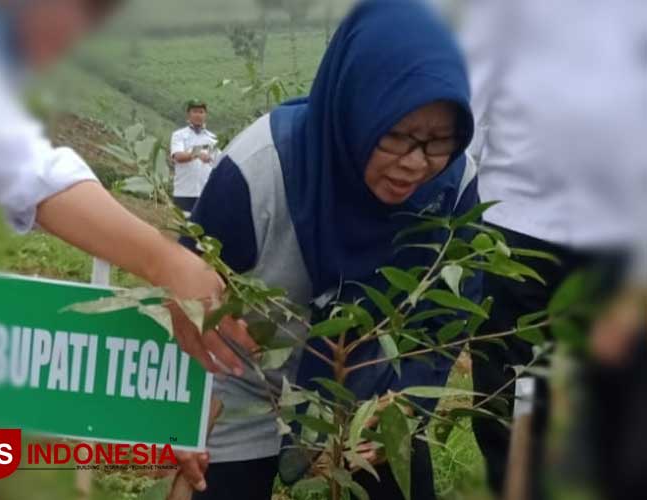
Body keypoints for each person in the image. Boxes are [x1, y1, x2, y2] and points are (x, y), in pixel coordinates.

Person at [0, 2, 254, 498]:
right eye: (84, 11)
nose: (78, 36)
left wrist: (163, 434)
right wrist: (168, 261)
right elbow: (31, 175)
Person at [177, 1, 479, 498]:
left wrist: (403, 405)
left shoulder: (453, 187)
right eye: (397, 136)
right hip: (248, 386)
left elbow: (444, 320)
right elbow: (187, 296)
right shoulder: (262, 171)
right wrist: (183, 417)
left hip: (370, 397)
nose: (415, 163)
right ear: (354, 107)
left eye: (440, 141)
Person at [459, 1, 647, 498]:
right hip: (515, 223)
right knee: (516, 390)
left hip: (615, 231)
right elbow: (472, 96)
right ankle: (517, 486)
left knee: (620, 390)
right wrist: (456, 213)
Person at [170, 99, 219, 215]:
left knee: (203, 229)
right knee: (184, 228)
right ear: (188, 114)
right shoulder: (179, 135)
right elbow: (178, 156)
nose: (198, 115)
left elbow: (217, 162)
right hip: (184, 192)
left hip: (205, 193)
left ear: (205, 115)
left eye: (201, 112)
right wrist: (196, 154)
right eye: (195, 111)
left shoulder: (212, 138)